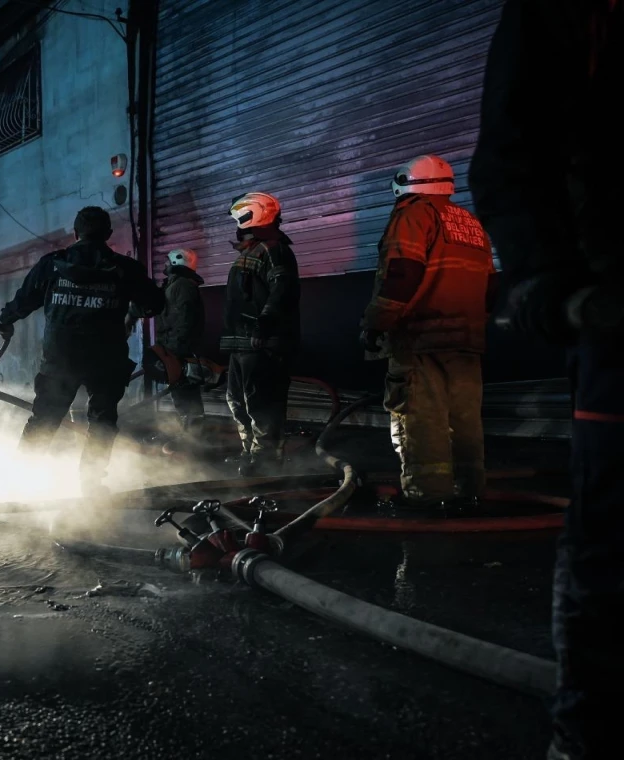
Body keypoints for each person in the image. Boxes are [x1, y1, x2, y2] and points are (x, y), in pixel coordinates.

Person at [469, 2, 622, 758]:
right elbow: (514, 153)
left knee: (611, 556)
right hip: (610, 309)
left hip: (609, 315)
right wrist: (549, 277)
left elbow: (510, 148)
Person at [360, 155, 497, 508]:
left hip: (420, 339)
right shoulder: (469, 222)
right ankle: (470, 491)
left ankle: (428, 497)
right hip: (467, 340)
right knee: (464, 420)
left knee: (421, 420)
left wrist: (376, 323)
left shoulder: (412, 214)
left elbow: (402, 275)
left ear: (405, 182)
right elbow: (490, 286)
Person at [0, 206, 164, 496]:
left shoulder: (52, 264)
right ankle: (91, 484)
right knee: (102, 422)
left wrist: (5, 319)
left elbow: (24, 301)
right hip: (106, 358)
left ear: (75, 234)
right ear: (108, 235)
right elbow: (155, 305)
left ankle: (20, 480)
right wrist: (130, 304)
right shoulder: (125, 269)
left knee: (45, 419)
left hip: (61, 357)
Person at [219, 191, 300, 476]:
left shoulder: (273, 249)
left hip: (262, 342)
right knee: (238, 401)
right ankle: (251, 454)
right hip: (243, 342)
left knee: (262, 403)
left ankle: (266, 462)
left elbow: (282, 291)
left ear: (250, 214)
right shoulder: (253, 250)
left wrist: (264, 324)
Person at [153, 248, 207, 448]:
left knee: (186, 394)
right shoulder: (176, 284)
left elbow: (185, 320)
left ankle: (191, 441)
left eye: (168, 261)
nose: (165, 265)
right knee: (180, 393)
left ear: (177, 262)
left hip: (179, 351)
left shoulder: (182, 286)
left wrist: (175, 353)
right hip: (174, 349)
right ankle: (185, 437)